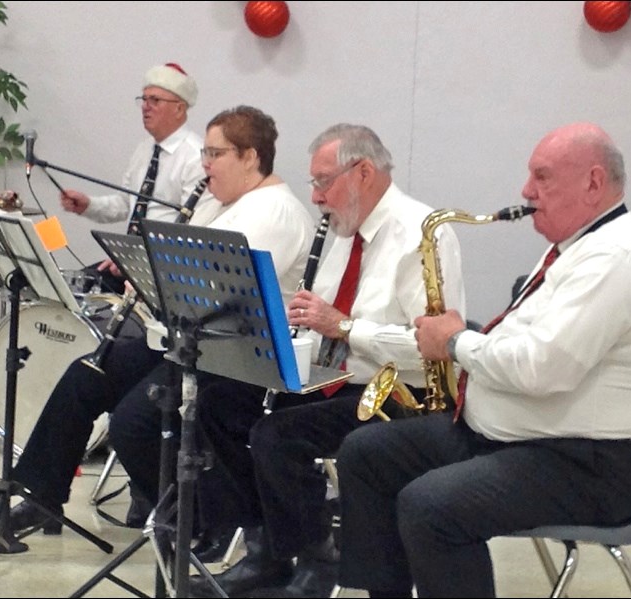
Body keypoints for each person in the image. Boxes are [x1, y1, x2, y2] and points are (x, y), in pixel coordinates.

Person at [335, 122, 631, 598]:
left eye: (542, 177)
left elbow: (541, 368)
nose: (526, 190)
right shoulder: (575, 248)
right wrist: (465, 334)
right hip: (521, 439)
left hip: (586, 464)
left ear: (594, 183)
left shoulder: (615, 258)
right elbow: (526, 342)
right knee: (366, 453)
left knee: (431, 506)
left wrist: (455, 342)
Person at [4, 106, 314, 549]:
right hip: (187, 342)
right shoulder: (223, 201)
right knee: (84, 378)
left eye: (216, 153)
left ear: (250, 156)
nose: (205, 164)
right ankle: (42, 497)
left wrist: (159, 280)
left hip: (235, 357)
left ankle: (200, 518)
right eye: (204, 152)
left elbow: (220, 294)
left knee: (134, 423)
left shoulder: (274, 212)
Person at [188, 124, 466, 598]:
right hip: (333, 377)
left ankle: (318, 560)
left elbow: (432, 348)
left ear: (363, 172)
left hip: (401, 393)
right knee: (220, 406)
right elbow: (322, 324)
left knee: (277, 435)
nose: (315, 196)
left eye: (322, 181)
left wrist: (343, 326)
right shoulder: (344, 229)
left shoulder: (423, 236)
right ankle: (267, 550)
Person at [59, 62, 209, 294]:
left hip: (163, 271)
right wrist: (88, 205)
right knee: (70, 288)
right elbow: (126, 204)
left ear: (179, 108)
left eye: (155, 101)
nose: (145, 107)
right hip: (130, 263)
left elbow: (191, 228)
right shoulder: (144, 150)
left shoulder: (195, 157)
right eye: (144, 99)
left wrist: (137, 259)